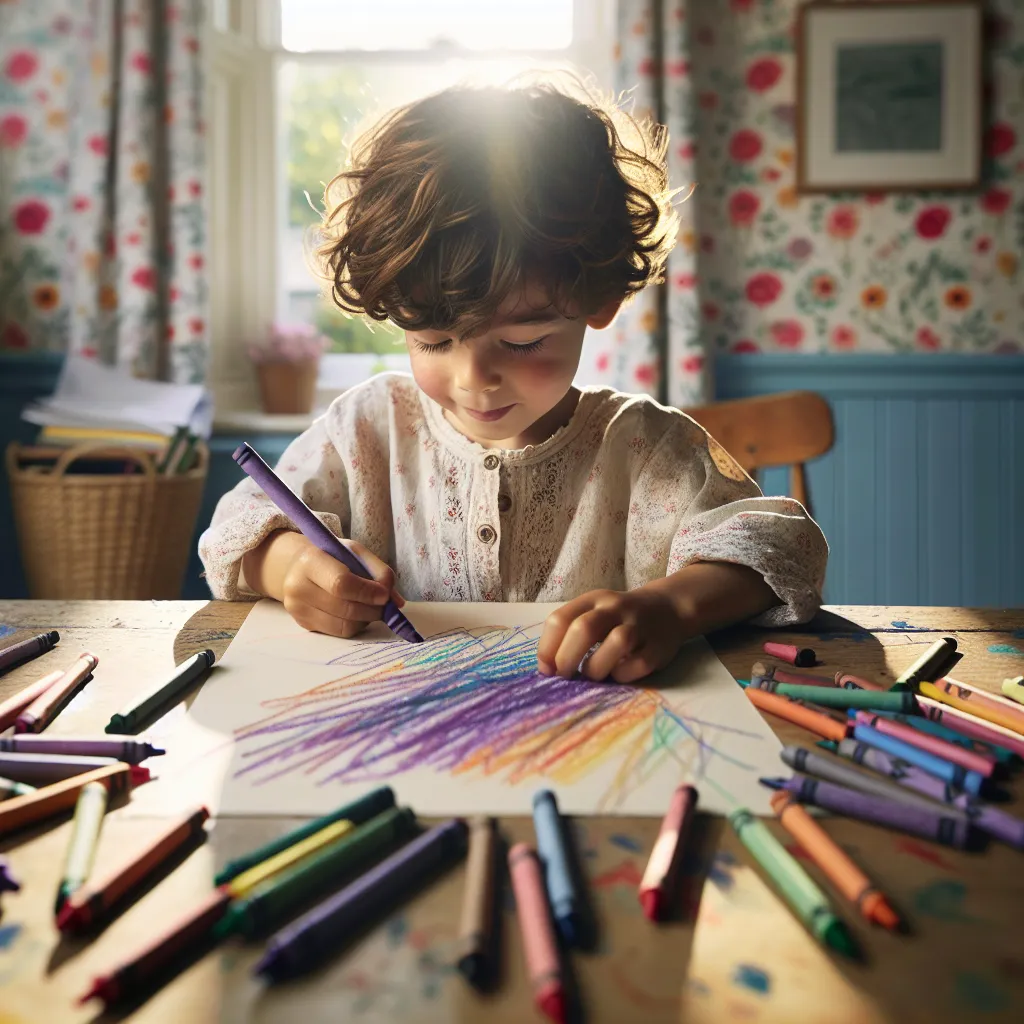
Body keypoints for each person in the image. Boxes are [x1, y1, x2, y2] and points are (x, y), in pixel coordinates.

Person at [199, 81, 827, 684]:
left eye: (523, 342)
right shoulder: (367, 428)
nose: (474, 380)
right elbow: (236, 529)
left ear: (599, 297)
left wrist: (672, 608)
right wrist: (290, 567)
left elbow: (781, 548)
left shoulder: (644, 448)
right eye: (433, 341)